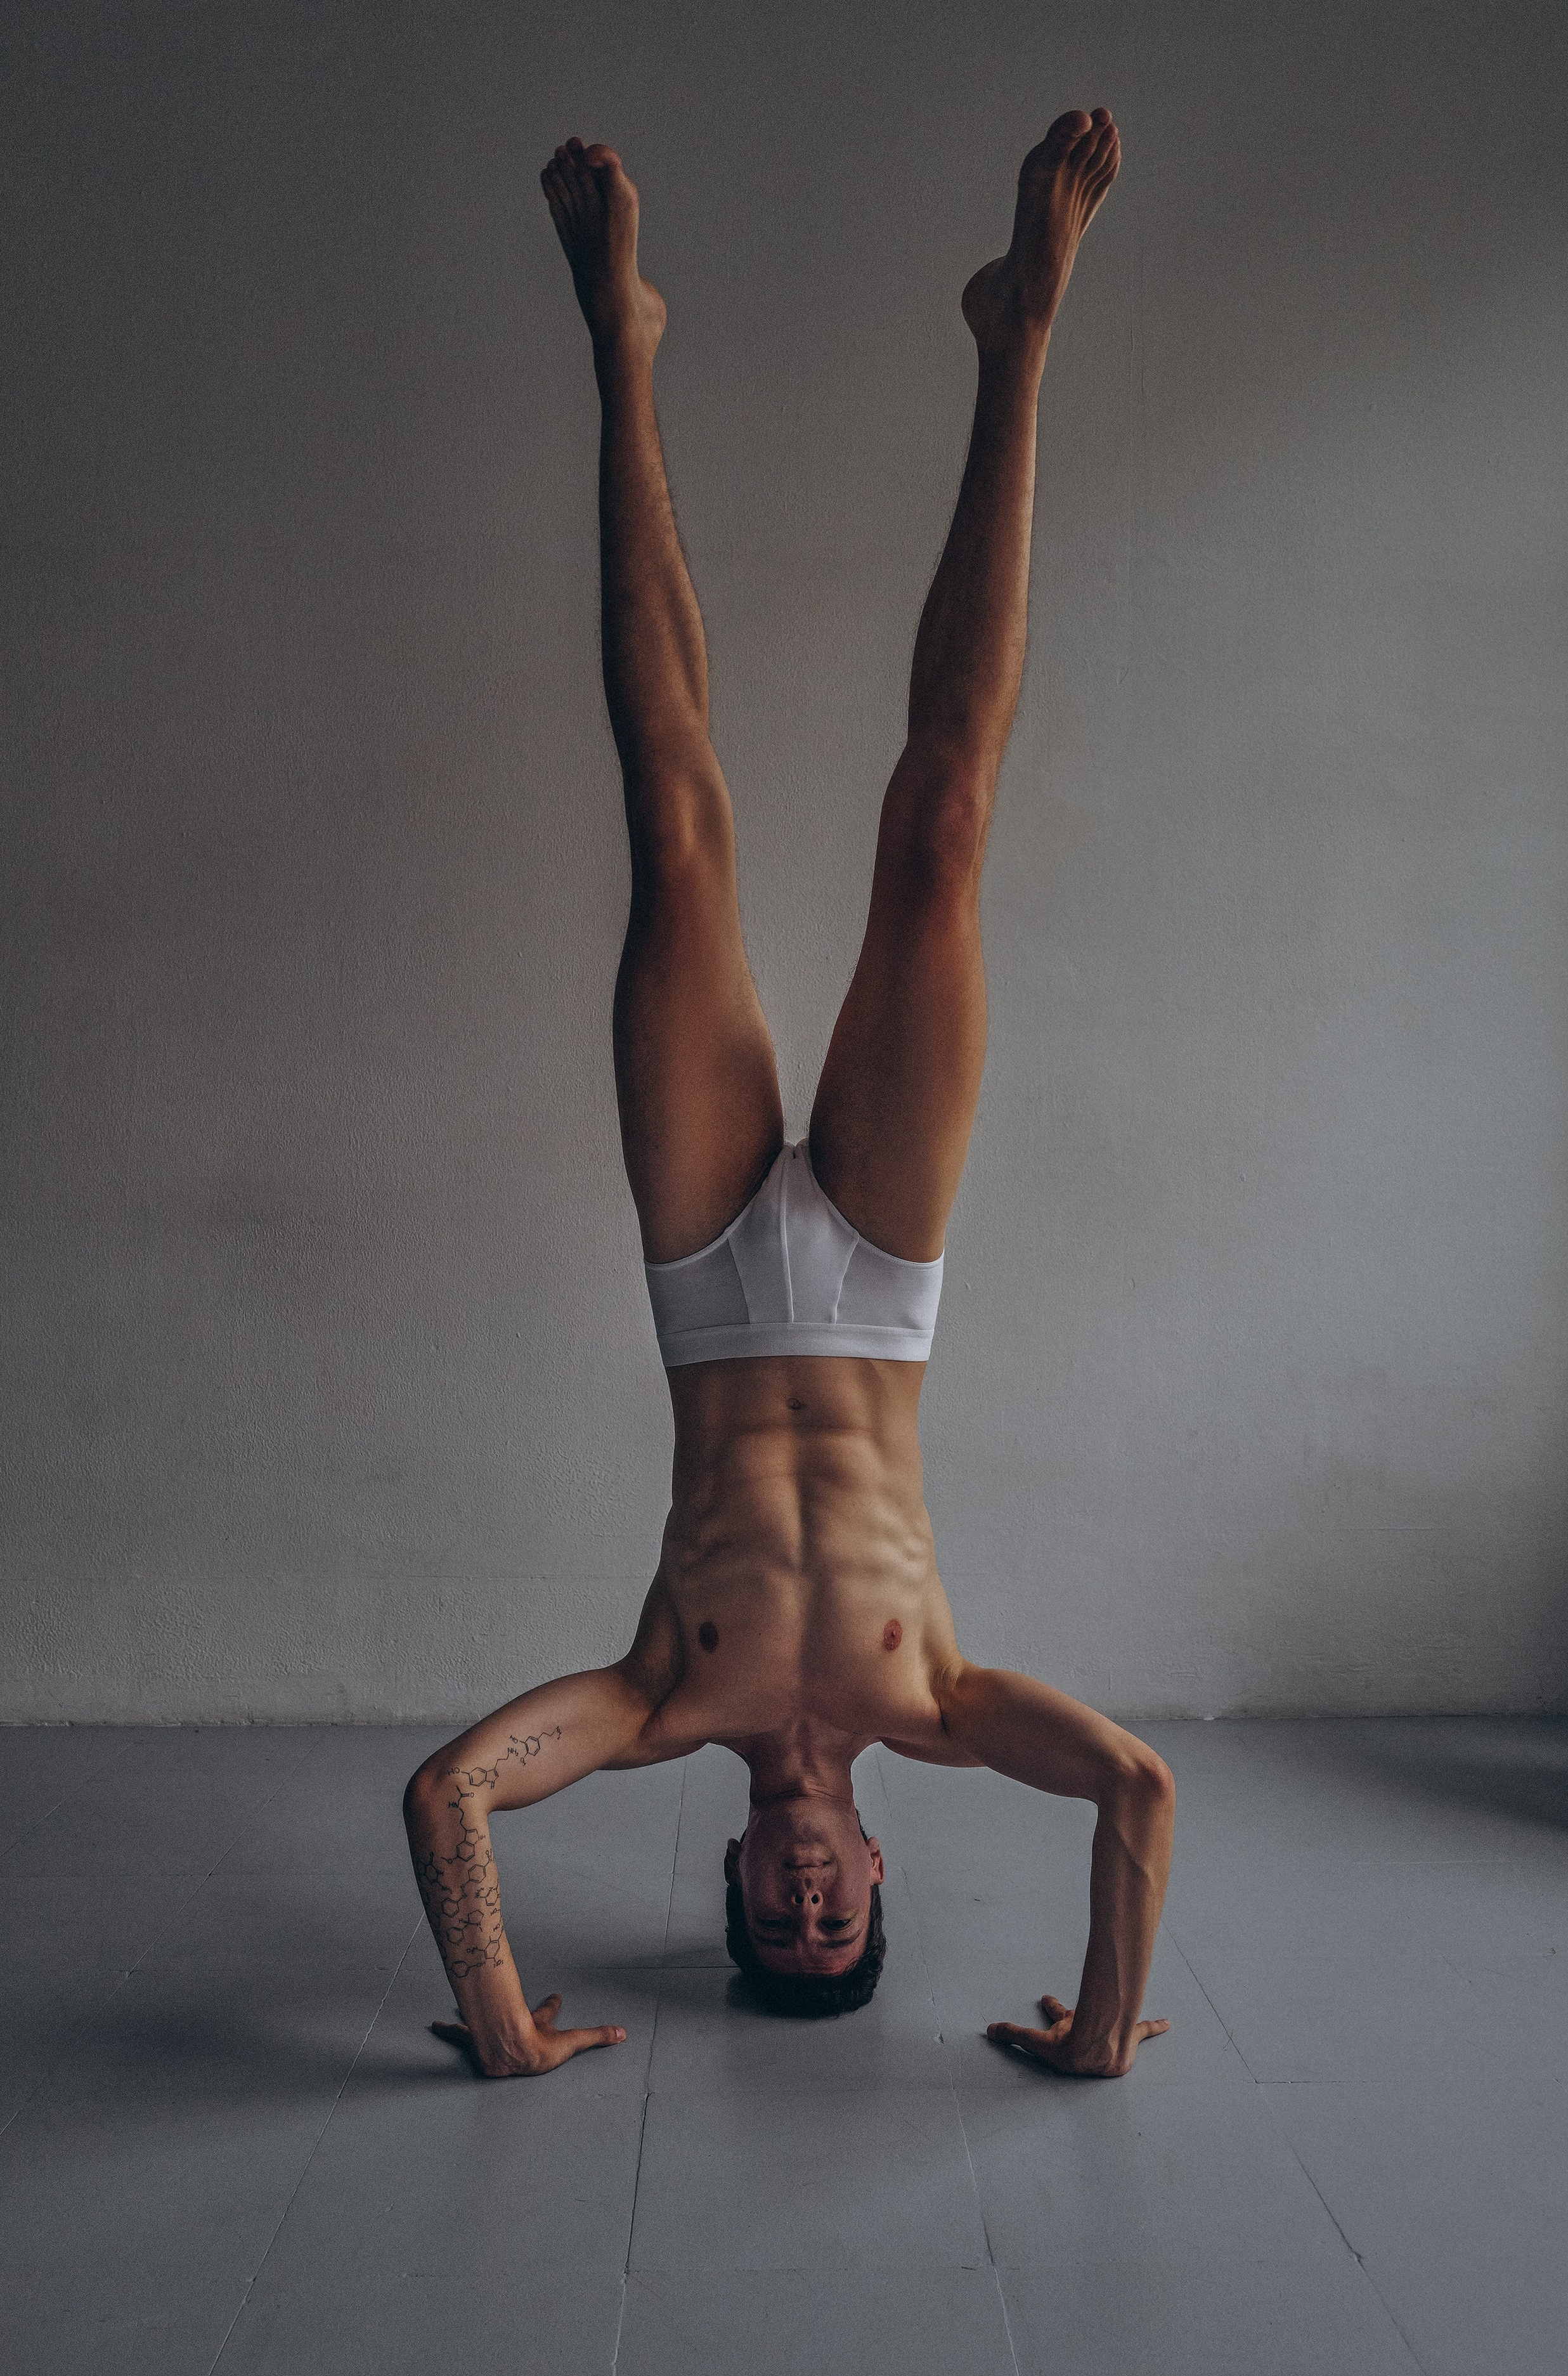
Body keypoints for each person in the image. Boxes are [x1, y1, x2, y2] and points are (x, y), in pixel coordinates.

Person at [403, 106, 1176, 2079]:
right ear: (883, 1878)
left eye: (779, 1928)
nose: (811, 1903)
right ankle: (1020, 342)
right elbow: (1143, 1794)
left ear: (739, 1898)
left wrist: (499, 2024)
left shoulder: (664, 1697)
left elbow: (449, 1799)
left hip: (712, 1279)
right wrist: (1098, 2030)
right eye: (846, 1926)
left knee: (674, 833)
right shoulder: (940, 1696)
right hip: (885, 1282)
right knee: (943, 834)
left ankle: (620, 346)